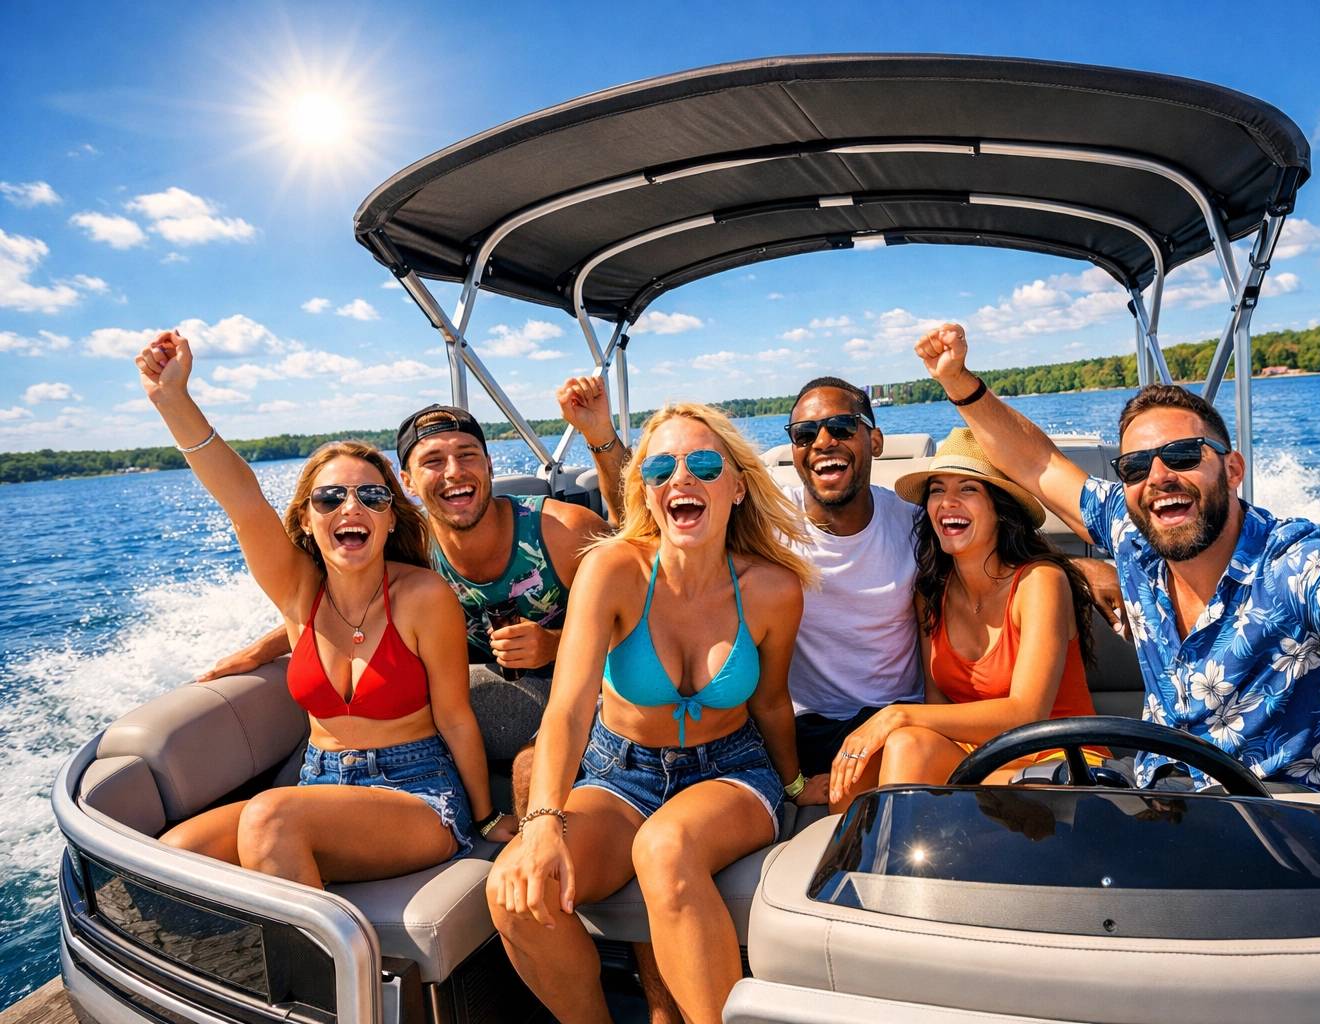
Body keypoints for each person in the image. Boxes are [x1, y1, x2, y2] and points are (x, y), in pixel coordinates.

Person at [914, 323, 1320, 792]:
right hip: (1168, 811)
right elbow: (1035, 463)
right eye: (1136, 466)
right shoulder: (1135, 533)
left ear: (1232, 469)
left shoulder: (1295, 567)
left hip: (1308, 834)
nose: (1159, 476)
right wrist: (958, 382)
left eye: (1184, 455)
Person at [572, 376, 1124, 806]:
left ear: (873, 440)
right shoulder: (766, 524)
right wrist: (601, 438)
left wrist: (1076, 569)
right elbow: (660, 524)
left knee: (896, 763)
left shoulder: (918, 525)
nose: (823, 442)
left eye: (841, 427)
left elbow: (988, 550)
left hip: (900, 718)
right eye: (805, 434)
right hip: (808, 728)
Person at [136, 330, 515, 885]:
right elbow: (241, 500)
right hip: (318, 784)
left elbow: (455, 717)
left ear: (391, 517)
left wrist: (486, 817)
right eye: (330, 497)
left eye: (372, 496)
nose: (350, 507)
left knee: (270, 817)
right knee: (176, 852)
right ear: (307, 518)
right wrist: (172, 399)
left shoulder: (424, 596)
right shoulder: (297, 595)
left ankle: (318, 948)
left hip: (418, 792)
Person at [487, 402, 819, 1024]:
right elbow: (568, 708)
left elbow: (772, 701)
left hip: (730, 772)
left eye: (704, 465)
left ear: (738, 487)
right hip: (619, 775)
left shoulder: (773, 589)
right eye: (661, 468)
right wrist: (542, 823)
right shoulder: (611, 569)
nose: (681, 478)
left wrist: (797, 785)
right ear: (645, 490)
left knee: (666, 847)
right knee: (515, 892)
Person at [201, 385, 615, 812]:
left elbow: (643, 601)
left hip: (583, 684)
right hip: (476, 702)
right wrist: (264, 648)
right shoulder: (406, 550)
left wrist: (555, 643)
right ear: (408, 482)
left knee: (529, 770)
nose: (453, 471)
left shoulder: (562, 531)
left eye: (467, 455)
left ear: (490, 465)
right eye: (432, 461)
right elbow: (350, 606)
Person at [827, 428, 1102, 803]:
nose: (947, 502)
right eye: (937, 490)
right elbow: (938, 706)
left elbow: (1027, 713)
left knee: (904, 740)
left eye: (968, 489)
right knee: (851, 785)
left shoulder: (1040, 582)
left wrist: (897, 716)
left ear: (1000, 509)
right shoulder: (930, 594)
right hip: (979, 762)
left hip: (1056, 762)